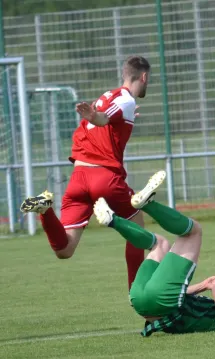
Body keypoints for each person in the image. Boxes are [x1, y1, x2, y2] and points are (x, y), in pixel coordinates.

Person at [20, 55, 151, 290]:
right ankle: (137, 292)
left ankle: (45, 210)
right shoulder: (125, 99)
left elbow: (104, 120)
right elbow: (102, 119)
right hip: (104, 178)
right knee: (138, 233)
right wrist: (97, 117)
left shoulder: (106, 97)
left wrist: (103, 117)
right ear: (144, 77)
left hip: (79, 178)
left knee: (65, 249)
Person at [92, 170, 215, 336]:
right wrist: (202, 286)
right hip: (140, 299)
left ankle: (147, 204)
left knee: (194, 231)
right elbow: (179, 296)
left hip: (159, 302)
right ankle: (113, 220)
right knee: (159, 243)